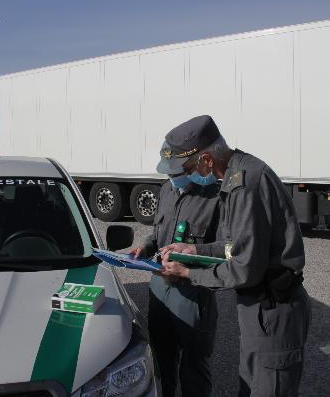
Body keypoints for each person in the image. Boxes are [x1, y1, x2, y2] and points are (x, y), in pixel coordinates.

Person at [157, 115, 311, 397]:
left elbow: (244, 269)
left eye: (189, 167)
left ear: (205, 159)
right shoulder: (236, 175)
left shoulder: (245, 185)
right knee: (251, 385)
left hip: (273, 308)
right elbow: (234, 245)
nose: (188, 175)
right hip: (258, 308)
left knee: (268, 389)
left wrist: (187, 273)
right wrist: (195, 249)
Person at [130, 140, 221, 397]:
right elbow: (158, 232)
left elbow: (226, 250)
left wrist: (188, 263)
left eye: (176, 173)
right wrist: (145, 247)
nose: (172, 178)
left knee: (194, 367)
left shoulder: (216, 198)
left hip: (192, 291)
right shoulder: (166, 190)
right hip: (160, 288)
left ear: (193, 167)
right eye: (168, 173)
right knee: (162, 361)